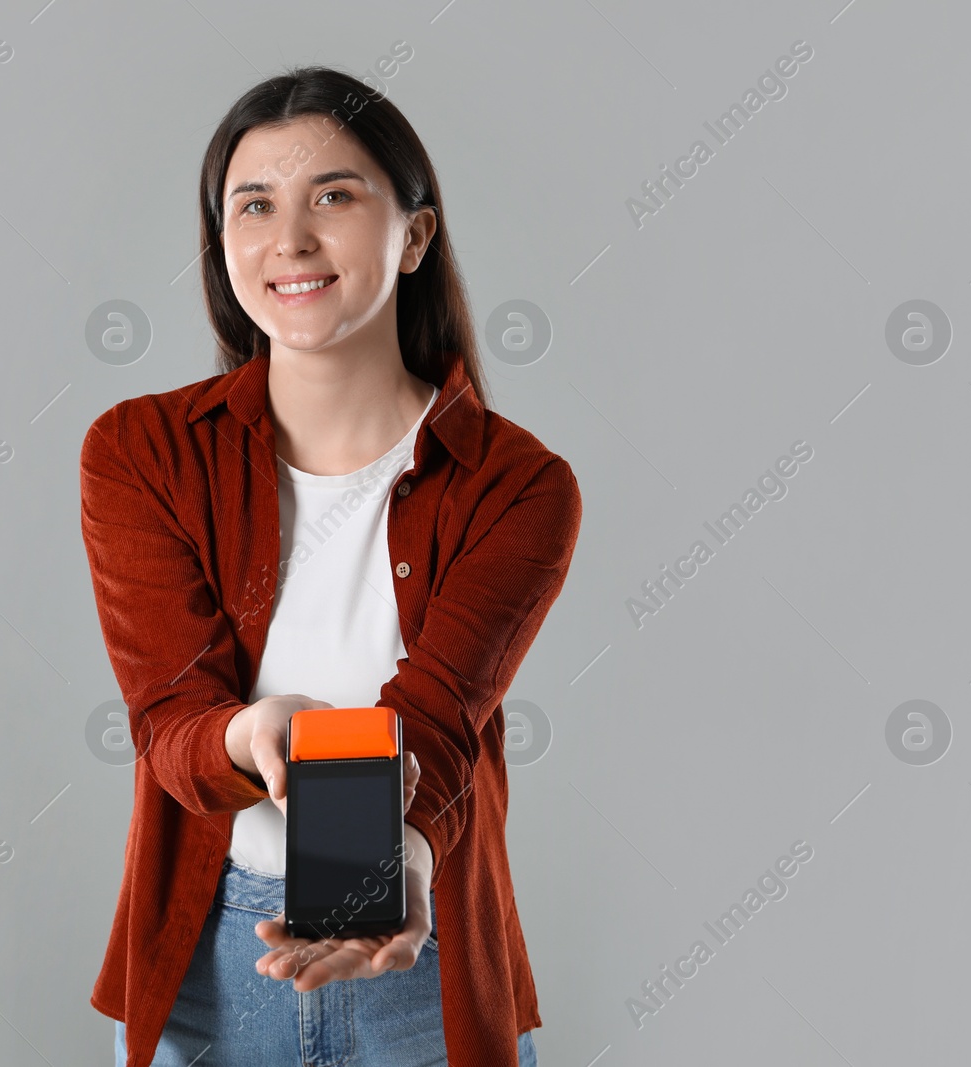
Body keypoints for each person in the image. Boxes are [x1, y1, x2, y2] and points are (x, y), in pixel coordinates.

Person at [80, 64, 581, 1067]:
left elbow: (438, 720)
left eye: (334, 197)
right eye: (253, 205)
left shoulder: (516, 483)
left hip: (421, 967)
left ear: (416, 235)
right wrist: (245, 733)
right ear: (221, 245)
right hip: (215, 963)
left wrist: (387, 861)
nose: (291, 240)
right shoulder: (140, 451)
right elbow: (169, 717)